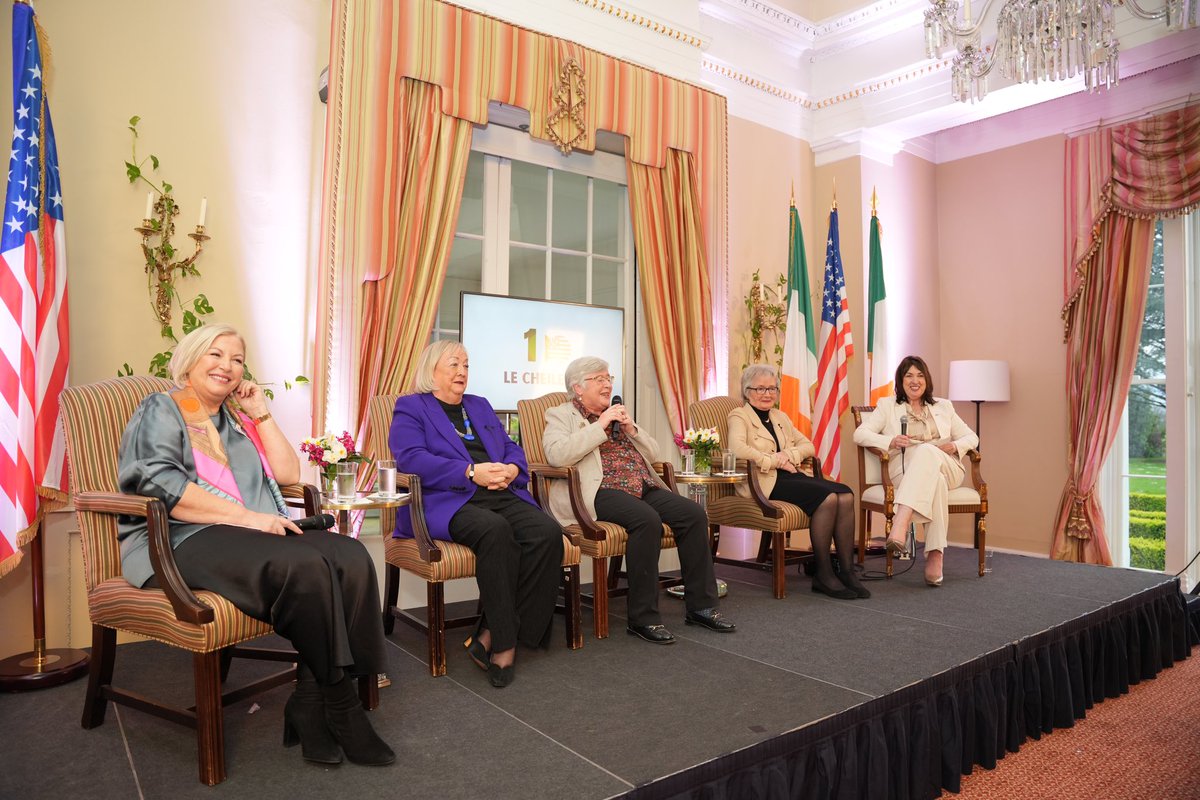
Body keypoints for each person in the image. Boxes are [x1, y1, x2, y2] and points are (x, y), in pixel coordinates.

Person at [117, 324, 393, 767]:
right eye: (215, 354)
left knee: (351, 555)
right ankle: (341, 705)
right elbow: (157, 482)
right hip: (177, 539)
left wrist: (260, 412)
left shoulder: (236, 420)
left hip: (246, 536)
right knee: (303, 565)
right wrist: (250, 518)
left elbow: (285, 475)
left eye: (237, 358)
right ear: (189, 360)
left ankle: (307, 698)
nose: (227, 366)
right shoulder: (163, 408)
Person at [389, 341, 564, 688]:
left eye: (466, 365)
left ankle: (492, 629)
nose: (462, 372)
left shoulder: (479, 406)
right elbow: (410, 459)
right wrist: (469, 472)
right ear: (431, 370)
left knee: (546, 532)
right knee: (494, 531)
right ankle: (504, 643)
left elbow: (513, 446)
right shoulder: (411, 407)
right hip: (445, 500)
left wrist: (513, 470)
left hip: (499, 492)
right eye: (453, 364)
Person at [541, 356, 735, 645]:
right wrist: (599, 426)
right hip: (599, 490)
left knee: (693, 514)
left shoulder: (619, 416)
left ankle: (701, 606)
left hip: (642, 485)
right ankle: (643, 618)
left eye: (609, 378)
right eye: (599, 379)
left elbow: (654, 454)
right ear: (577, 387)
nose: (607, 384)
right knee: (647, 520)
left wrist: (632, 429)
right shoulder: (560, 415)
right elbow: (556, 455)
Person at [727, 365, 868, 599]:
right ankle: (823, 573)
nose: (767, 393)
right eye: (760, 388)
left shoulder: (780, 416)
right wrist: (774, 461)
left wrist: (788, 457)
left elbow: (808, 446)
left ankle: (847, 571)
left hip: (790, 475)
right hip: (764, 482)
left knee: (846, 493)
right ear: (747, 391)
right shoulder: (739, 416)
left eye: (772, 388)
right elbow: (737, 449)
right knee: (828, 497)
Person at [852, 355, 979, 586]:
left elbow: (972, 436)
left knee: (927, 453)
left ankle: (901, 520)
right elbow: (860, 434)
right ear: (900, 380)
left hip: (947, 465)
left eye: (920, 375)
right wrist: (891, 441)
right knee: (935, 480)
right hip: (905, 469)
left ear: (927, 380)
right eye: (908, 375)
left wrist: (955, 445)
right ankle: (935, 554)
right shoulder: (887, 405)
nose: (915, 380)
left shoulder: (943, 406)